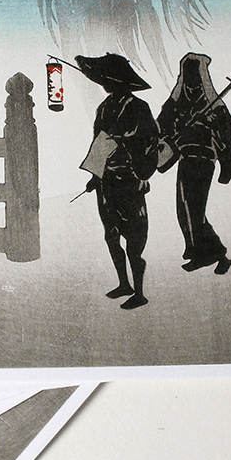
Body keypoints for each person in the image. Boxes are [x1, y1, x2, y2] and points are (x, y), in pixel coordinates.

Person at [77, 53, 159, 310]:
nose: (105, 84)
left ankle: (140, 292)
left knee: (134, 239)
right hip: (106, 182)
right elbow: (97, 144)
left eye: (109, 79)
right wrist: (94, 176)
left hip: (130, 179)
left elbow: (150, 142)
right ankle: (124, 283)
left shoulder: (139, 107)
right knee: (111, 235)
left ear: (120, 81)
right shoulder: (103, 108)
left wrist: (141, 173)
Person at [157, 53, 231, 274]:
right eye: (188, 75)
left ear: (202, 76)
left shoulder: (213, 104)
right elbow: (162, 124)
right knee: (185, 209)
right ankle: (213, 254)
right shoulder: (178, 103)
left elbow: (229, 128)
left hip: (204, 158)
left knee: (194, 208)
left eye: (195, 75)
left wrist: (207, 122)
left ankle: (206, 255)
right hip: (185, 157)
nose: (192, 81)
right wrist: (177, 129)